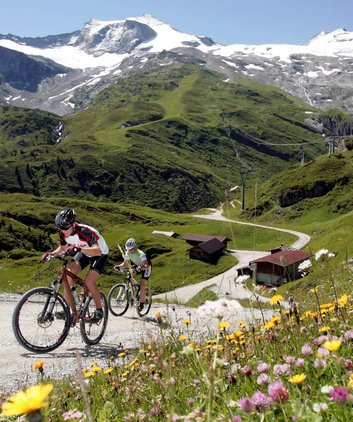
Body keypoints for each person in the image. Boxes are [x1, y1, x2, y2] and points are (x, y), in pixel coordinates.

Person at [41, 208, 109, 323]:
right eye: (60, 229)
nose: (63, 231)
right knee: (68, 275)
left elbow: (97, 250)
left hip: (100, 253)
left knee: (89, 281)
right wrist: (51, 254)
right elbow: (63, 248)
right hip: (84, 252)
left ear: (73, 224)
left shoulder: (84, 231)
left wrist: (79, 248)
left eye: (65, 228)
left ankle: (99, 310)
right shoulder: (63, 232)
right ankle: (71, 308)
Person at [114, 238, 151, 310]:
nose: (129, 251)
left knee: (142, 284)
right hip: (137, 266)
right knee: (129, 277)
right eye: (128, 249)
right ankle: (135, 290)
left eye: (131, 249)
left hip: (146, 267)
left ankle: (142, 303)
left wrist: (140, 268)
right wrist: (118, 267)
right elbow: (125, 264)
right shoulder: (127, 253)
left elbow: (146, 266)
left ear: (135, 247)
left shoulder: (141, 254)